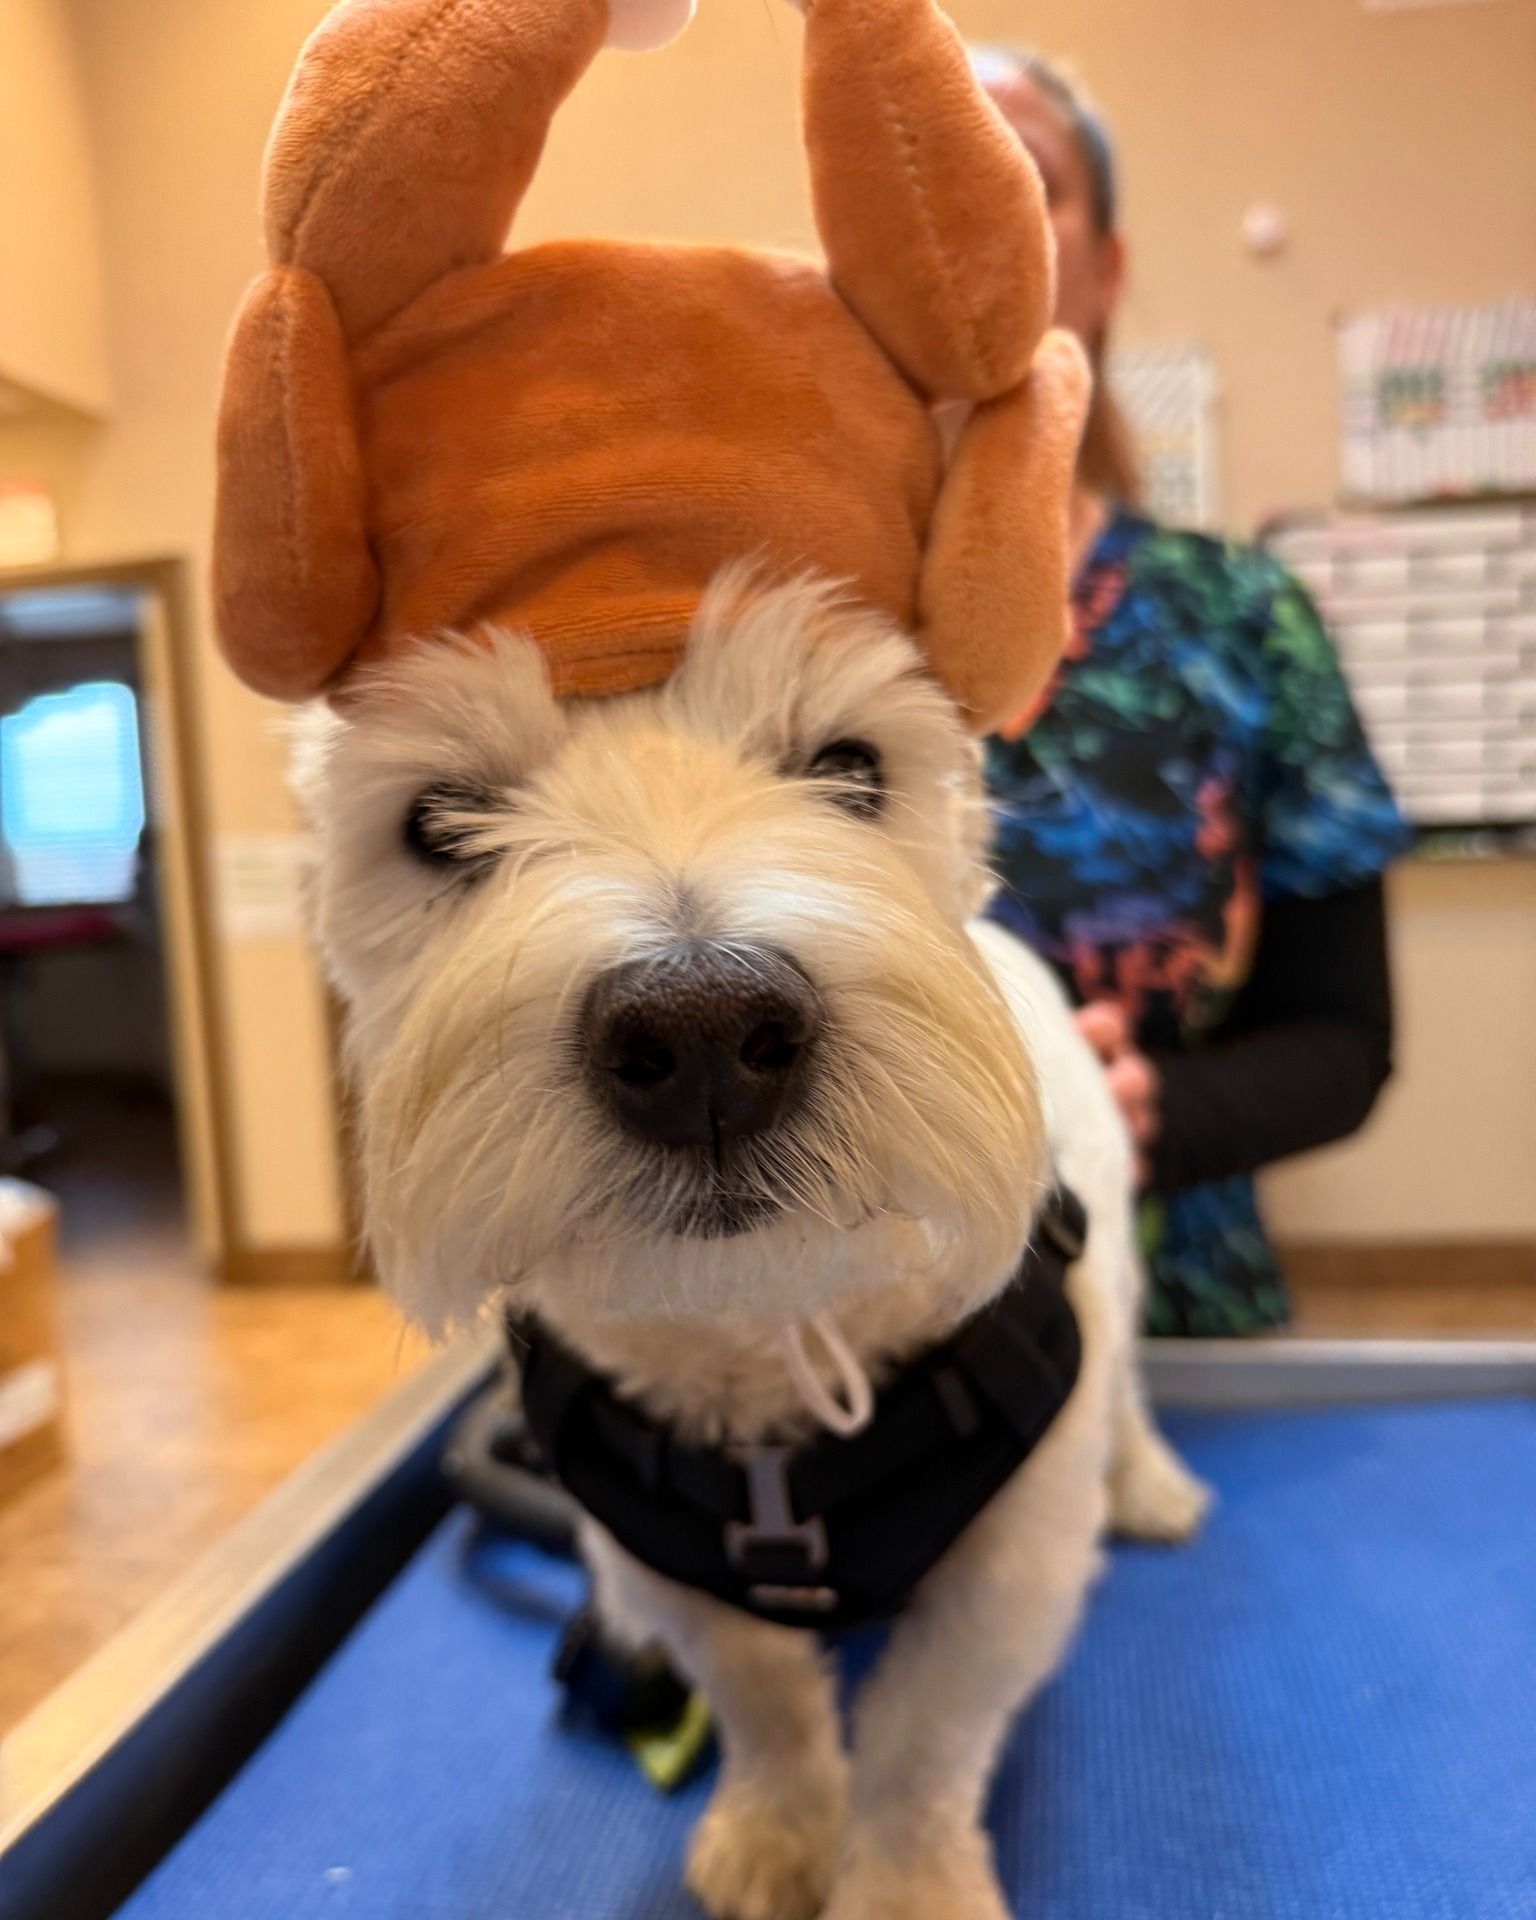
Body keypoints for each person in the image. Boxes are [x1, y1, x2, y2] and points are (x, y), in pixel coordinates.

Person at [971, 47, 1413, 1337]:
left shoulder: (1245, 621)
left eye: (1027, 178)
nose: (971, 208)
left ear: (1105, 271)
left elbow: (1342, 1040)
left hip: (1184, 1332)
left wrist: (1152, 1112)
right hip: (845, 1373)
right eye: (927, 176)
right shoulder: (781, 627)